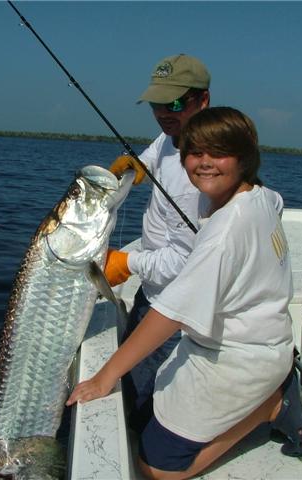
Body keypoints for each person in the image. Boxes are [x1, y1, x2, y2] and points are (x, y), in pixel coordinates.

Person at [68, 107, 302, 479]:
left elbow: (169, 314)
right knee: (148, 416)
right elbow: (273, 204)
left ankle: (271, 406)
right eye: (195, 153)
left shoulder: (224, 233)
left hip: (239, 359)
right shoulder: (262, 197)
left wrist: (104, 376)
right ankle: (269, 392)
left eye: (219, 153)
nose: (204, 163)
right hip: (267, 342)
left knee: (156, 467)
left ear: (244, 158)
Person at [103, 54, 211, 422]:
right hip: (151, 294)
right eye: (157, 103)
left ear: (203, 100)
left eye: (176, 103)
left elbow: (183, 263)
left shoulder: (202, 175)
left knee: (140, 403)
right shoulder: (174, 134)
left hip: (175, 310)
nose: (164, 112)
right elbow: (156, 151)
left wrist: (126, 262)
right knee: (130, 384)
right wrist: (139, 165)